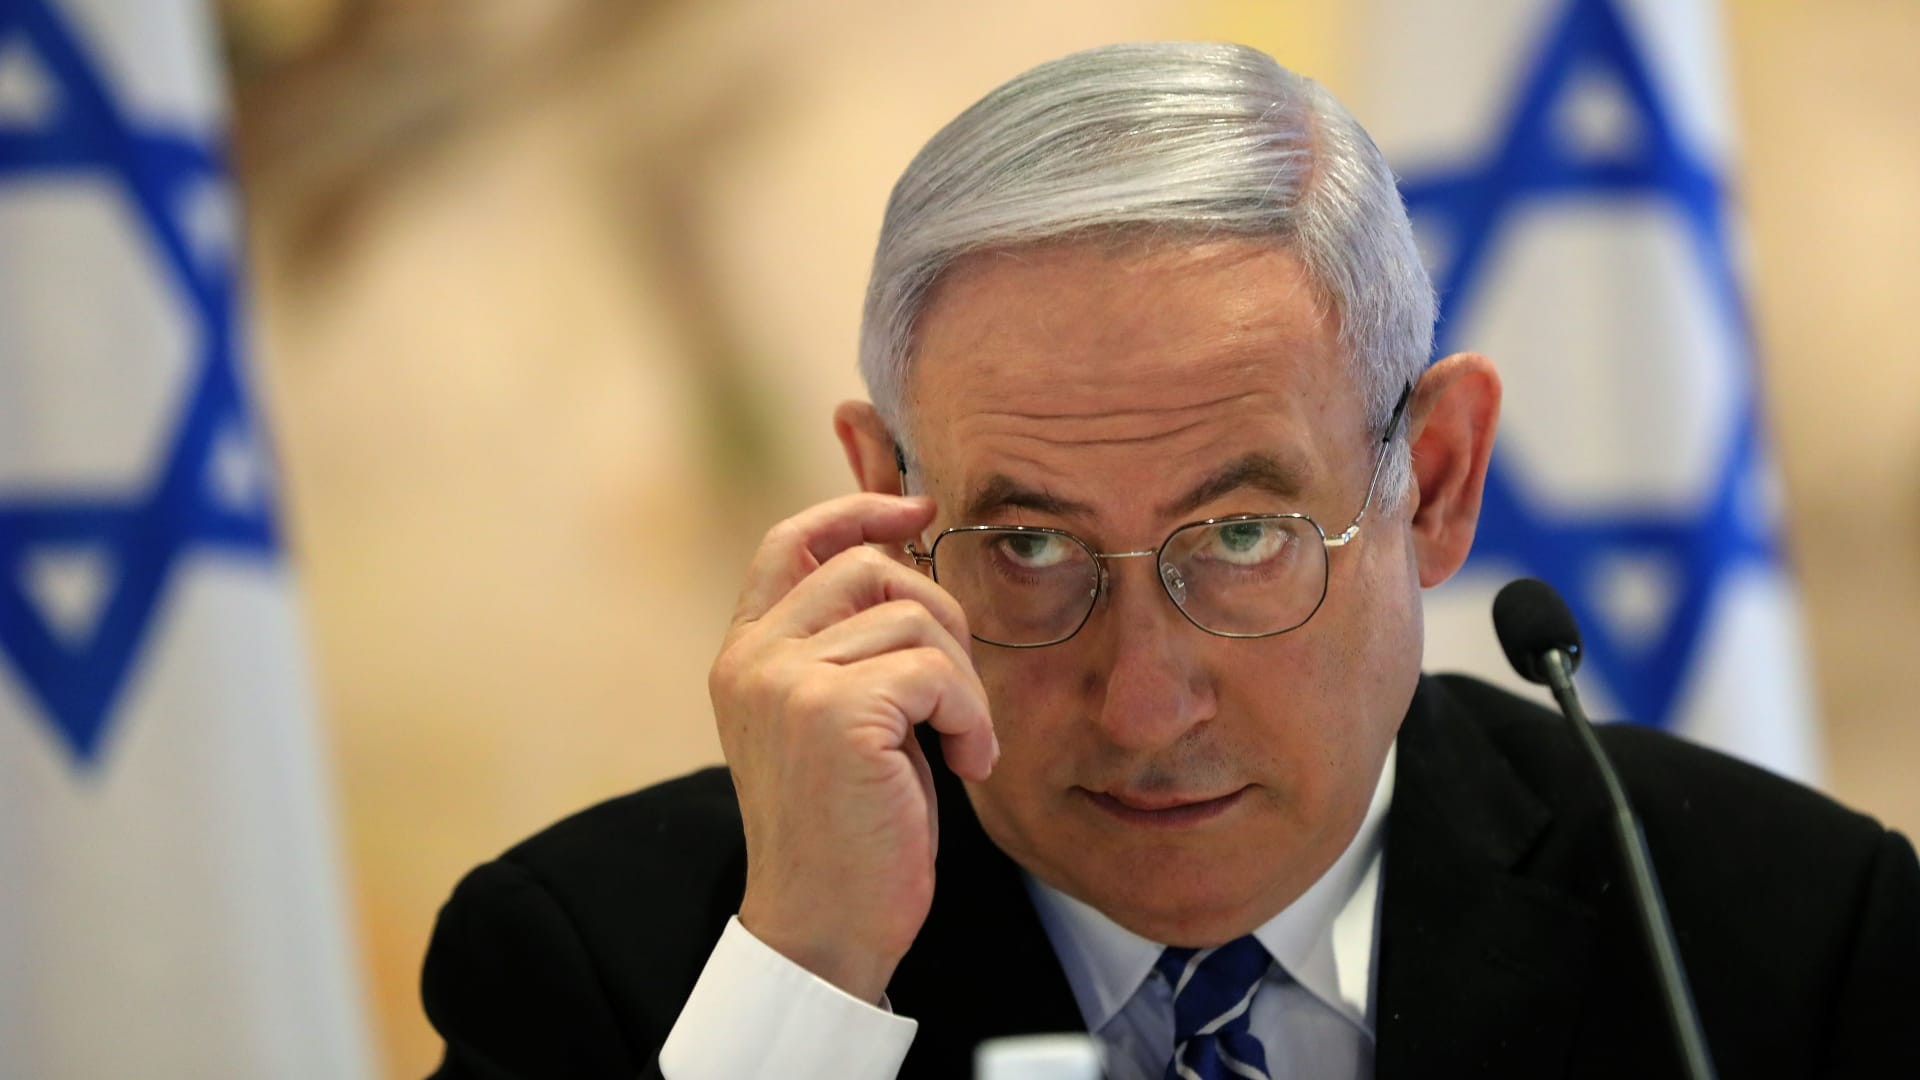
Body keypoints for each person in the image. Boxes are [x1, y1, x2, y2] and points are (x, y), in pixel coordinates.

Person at [419, 42, 1920, 1080]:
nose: (1143, 704)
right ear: (887, 503)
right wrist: (811, 979)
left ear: (1437, 482)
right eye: (1028, 545)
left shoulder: (1783, 941)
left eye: (1245, 537)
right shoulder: (611, 965)